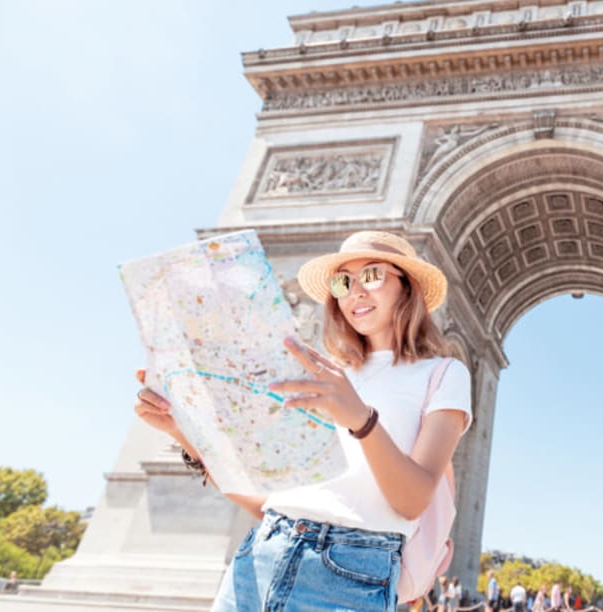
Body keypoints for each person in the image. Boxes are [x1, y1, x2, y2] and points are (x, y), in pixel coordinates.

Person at [133, 231, 472, 611]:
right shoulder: (321, 374)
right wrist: (182, 428)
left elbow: (412, 501)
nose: (356, 291)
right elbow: (267, 501)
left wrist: (360, 419)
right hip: (259, 559)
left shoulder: (443, 374)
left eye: (372, 275)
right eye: (342, 282)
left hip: (348, 576)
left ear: (407, 287)